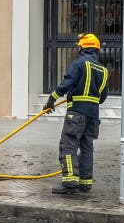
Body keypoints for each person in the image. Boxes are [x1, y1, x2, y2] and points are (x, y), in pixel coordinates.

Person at [44, 33, 109, 195]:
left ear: (81, 48)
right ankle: (85, 183)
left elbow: (67, 83)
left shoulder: (79, 64)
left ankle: (70, 182)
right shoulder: (104, 70)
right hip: (93, 115)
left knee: (68, 145)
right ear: (97, 50)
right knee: (87, 147)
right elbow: (102, 98)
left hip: (77, 113)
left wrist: (51, 99)